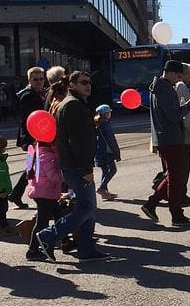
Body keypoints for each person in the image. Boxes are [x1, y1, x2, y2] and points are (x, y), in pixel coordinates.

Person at [35, 71, 110, 262]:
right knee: (86, 208)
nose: (88, 85)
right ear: (72, 85)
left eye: (90, 82)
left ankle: (86, 248)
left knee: (88, 208)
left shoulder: (73, 104)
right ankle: (49, 235)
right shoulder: (73, 105)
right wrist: (86, 169)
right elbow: (76, 141)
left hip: (73, 165)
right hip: (77, 167)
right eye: (84, 82)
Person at [141, 61, 190, 227]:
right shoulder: (166, 89)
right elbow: (173, 115)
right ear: (172, 73)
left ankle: (152, 205)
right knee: (175, 177)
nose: (178, 80)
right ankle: (176, 215)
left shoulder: (155, 87)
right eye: (178, 76)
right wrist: (186, 107)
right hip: (171, 137)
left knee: (173, 174)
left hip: (163, 137)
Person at [9, 67, 47, 208]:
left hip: (36, 135)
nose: (38, 82)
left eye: (41, 79)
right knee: (34, 166)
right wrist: (35, 137)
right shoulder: (29, 96)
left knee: (32, 166)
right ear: (29, 80)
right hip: (33, 136)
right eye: (35, 79)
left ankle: (16, 194)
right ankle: (21, 194)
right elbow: (28, 119)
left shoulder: (39, 93)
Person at [24, 135, 64, 261]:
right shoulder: (48, 156)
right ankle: (33, 249)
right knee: (42, 222)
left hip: (42, 191)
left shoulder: (37, 153)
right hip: (46, 193)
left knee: (57, 216)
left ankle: (63, 240)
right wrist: (65, 176)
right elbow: (54, 177)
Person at [174, 63, 190, 203]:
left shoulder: (175, 86)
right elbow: (185, 111)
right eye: (189, 73)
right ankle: (181, 194)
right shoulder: (181, 86)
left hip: (179, 132)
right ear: (182, 74)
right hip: (184, 132)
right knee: (184, 165)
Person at [94, 104, 121, 201]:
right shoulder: (105, 125)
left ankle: (104, 193)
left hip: (98, 152)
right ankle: (101, 188)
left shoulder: (98, 124)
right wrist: (117, 153)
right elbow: (111, 140)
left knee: (105, 171)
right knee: (113, 170)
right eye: (109, 112)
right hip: (106, 152)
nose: (110, 114)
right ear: (105, 114)